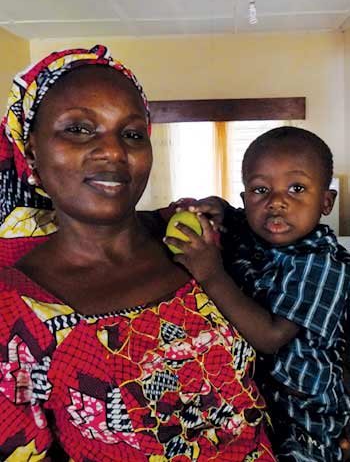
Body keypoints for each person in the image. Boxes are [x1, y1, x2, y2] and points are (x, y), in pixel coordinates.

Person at [0, 45, 275, 461]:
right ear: (31, 151)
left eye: (131, 134)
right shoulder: (17, 308)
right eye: (78, 129)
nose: (113, 152)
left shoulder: (190, 239)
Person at [164, 127, 350, 461]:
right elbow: (240, 222)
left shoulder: (321, 263)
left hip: (303, 414)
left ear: (326, 201)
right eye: (260, 189)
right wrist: (220, 210)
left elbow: (270, 336)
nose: (276, 201)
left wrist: (210, 272)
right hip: (254, 401)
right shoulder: (253, 235)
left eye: (297, 188)